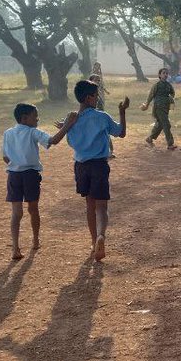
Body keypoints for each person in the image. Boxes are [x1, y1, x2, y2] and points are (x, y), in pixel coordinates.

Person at [65, 79, 129, 262]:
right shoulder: (102, 117)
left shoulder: (72, 119)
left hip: (81, 166)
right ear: (89, 97)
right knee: (102, 207)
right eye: (96, 95)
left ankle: (94, 242)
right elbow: (121, 133)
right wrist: (122, 111)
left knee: (89, 205)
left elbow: (70, 140)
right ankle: (101, 235)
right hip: (99, 165)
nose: (97, 99)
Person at [2, 103, 76, 260]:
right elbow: (54, 140)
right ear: (24, 118)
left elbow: (5, 157)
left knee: (16, 213)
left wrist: (15, 163)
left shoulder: (8, 133)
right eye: (35, 116)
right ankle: (35, 240)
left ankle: (15, 247)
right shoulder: (33, 132)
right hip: (30, 175)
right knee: (33, 209)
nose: (37, 118)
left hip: (14, 175)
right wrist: (68, 125)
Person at [142, 67, 177, 150]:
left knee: (160, 124)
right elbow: (151, 95)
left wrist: (170, 99)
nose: (165, 75)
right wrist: (146, 104)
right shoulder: (157, 85)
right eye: (163, 73)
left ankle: (150, 138)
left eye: (166, 73)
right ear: (159, 75)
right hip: (158, 108)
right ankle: (170, 144)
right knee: (166, 124)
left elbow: (172, 93)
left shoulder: (168, 85)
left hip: (166, 108)